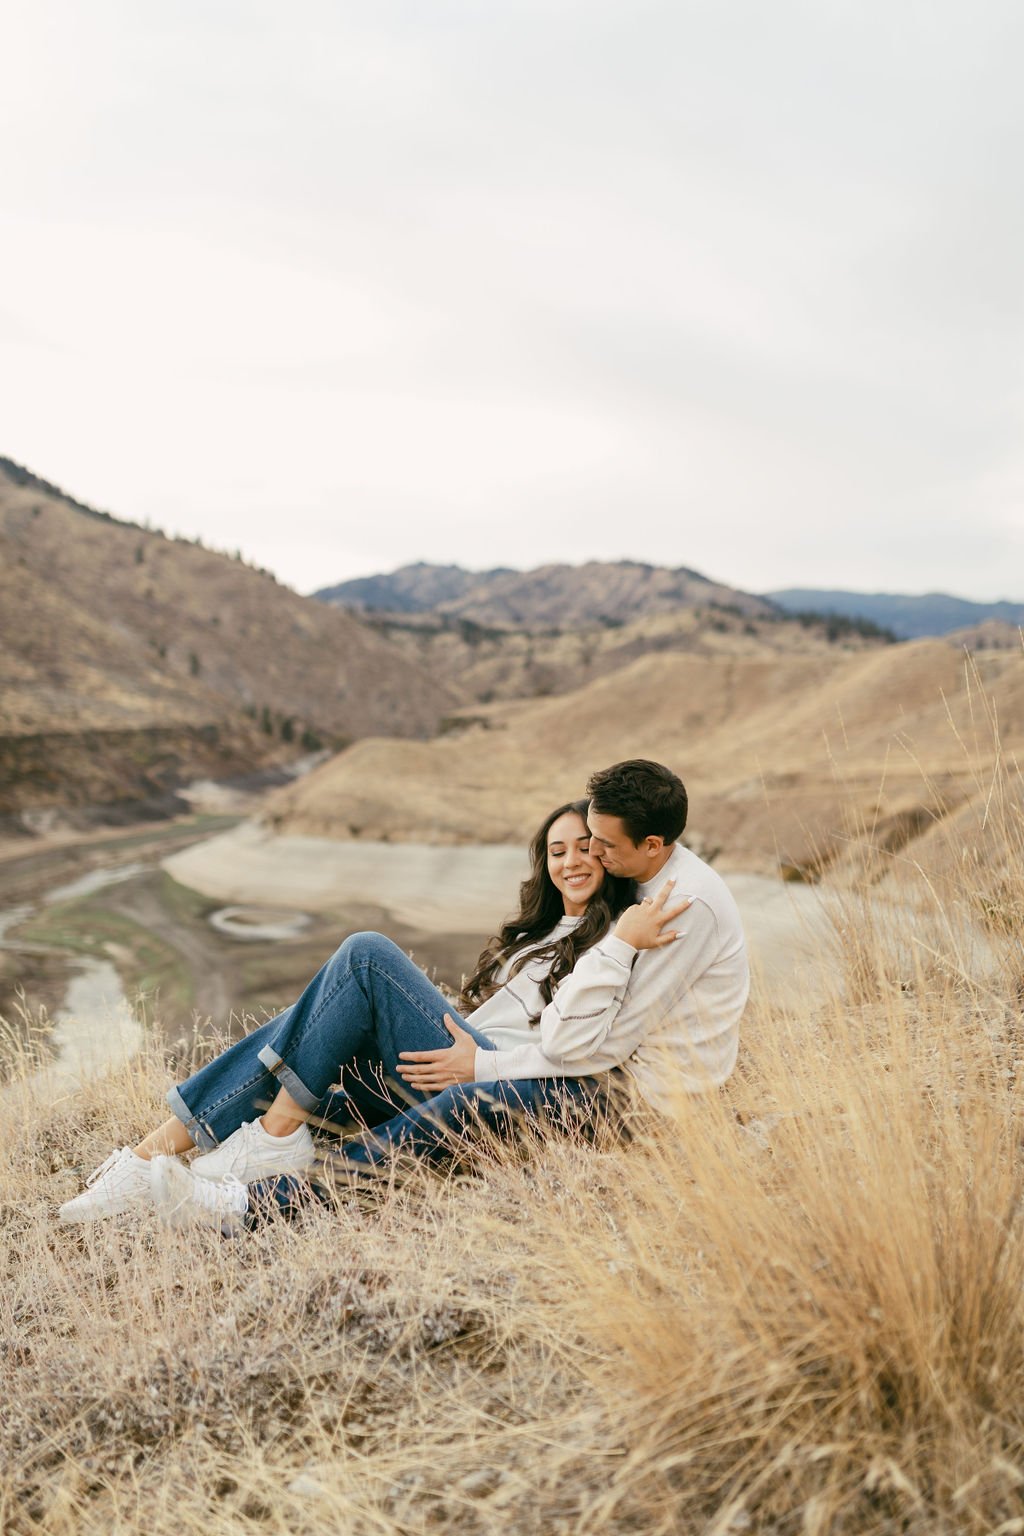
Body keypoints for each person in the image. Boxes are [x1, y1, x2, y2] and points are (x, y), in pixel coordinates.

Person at [58, 798, 687, 1226]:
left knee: (365, 956)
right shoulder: (537, 933)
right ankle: (145, 1164)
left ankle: (261, 1146)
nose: (571, 861)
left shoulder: (617, 938)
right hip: (451, 1062)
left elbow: (584, 1045)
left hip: (497, 1075)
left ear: (609, 855)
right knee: (306, 1029)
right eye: (556, 851)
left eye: (586, 848)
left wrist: (485, 1066)